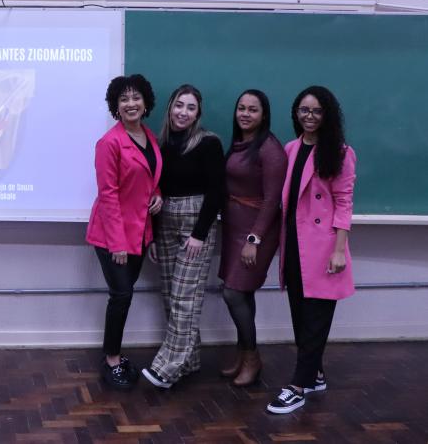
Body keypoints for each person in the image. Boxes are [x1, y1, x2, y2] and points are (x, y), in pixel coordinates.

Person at [267, 86, 356, 415]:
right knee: (300, 314)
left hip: (323, 246)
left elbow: (344, 203)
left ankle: (298, 386)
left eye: (316, 111)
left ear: (327, 115)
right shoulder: (291, 148)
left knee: (316, 317)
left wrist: (339, 250)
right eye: (303, 110)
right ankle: (315, 373)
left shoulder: (340, 152)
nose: (309, 116)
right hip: (293, 243)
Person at [142, 84, 225, 389]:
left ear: (198, 113)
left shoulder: (208, 143)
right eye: (179, 105)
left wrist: (200, 235)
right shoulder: (160, 143)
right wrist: (151, 234)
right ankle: (191, 361)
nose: (183, 112)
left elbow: (217, 191)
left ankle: (169, 365)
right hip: (164, 223)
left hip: (195, 224)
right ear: (170, 107)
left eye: (191, 107)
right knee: (169, 296)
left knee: (184, 298)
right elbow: (153, 190)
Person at [86, 74, 163, 390]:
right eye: (124, 99)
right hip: (111, 236)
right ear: (115, 106)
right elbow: (108, 194)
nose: (131, 104)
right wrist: (117, 243)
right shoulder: (109, 142)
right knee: (122, 295)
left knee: (123, 295)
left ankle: (113, 355)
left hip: (140, 232)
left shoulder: (149, 137)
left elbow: (150, 178)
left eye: (136, 98)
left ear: (146, 102)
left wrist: (158, 195)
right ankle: (112, 360)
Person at [218, 90, 287, 386]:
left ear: (264, 115)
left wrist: (254, 239)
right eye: (241, 108)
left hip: (256, 231)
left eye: (253, 110)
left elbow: (272, 200)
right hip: (234, 227)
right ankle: (243, 352)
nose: (245, 114)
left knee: (233, 293)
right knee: (242, 293)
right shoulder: (239, 143)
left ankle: (252, 357)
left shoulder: (269, 149)